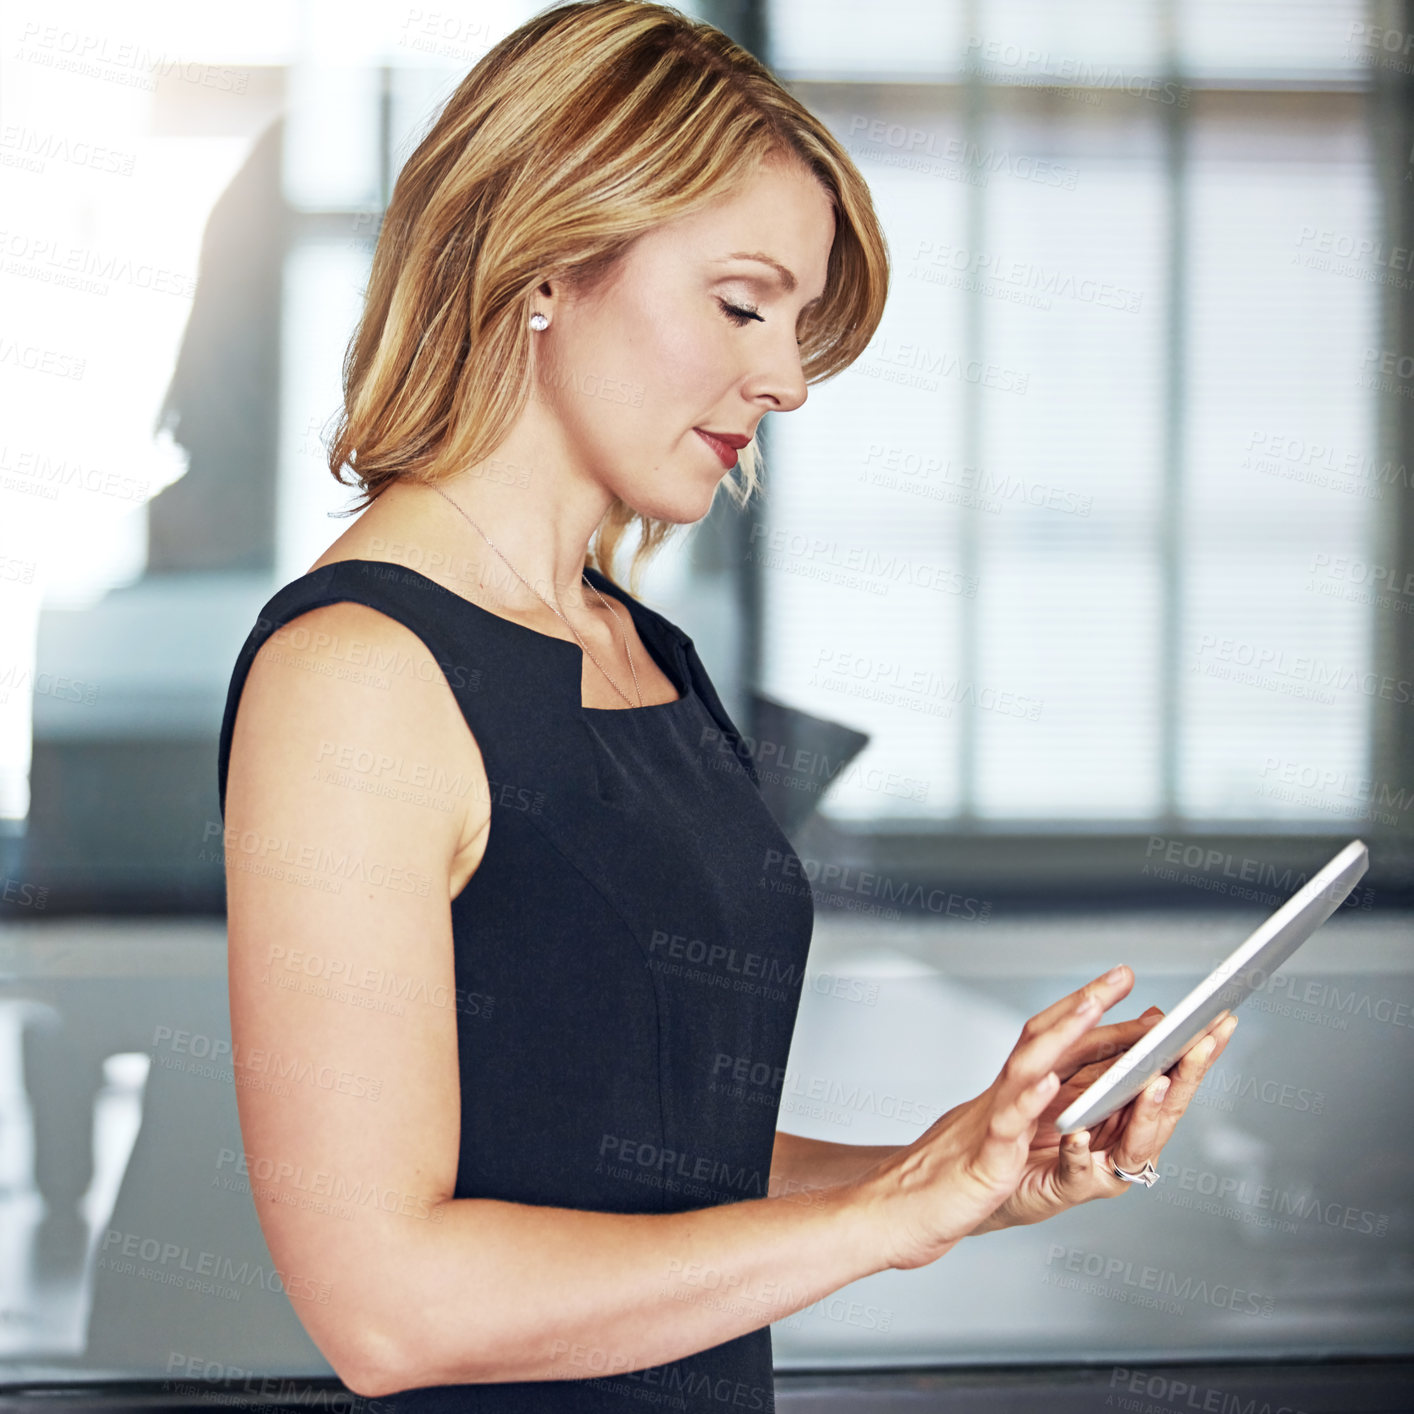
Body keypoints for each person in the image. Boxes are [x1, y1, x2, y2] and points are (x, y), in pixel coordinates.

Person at [216, 2, 1239, 1408]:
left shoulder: (643, 649)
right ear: (542, 266)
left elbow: (635, 1149)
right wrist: (883, 1221)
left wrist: (958, 1168)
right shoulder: (357, 677)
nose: (788, 378)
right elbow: (387, 1308)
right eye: (742, 303)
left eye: (800, 321)